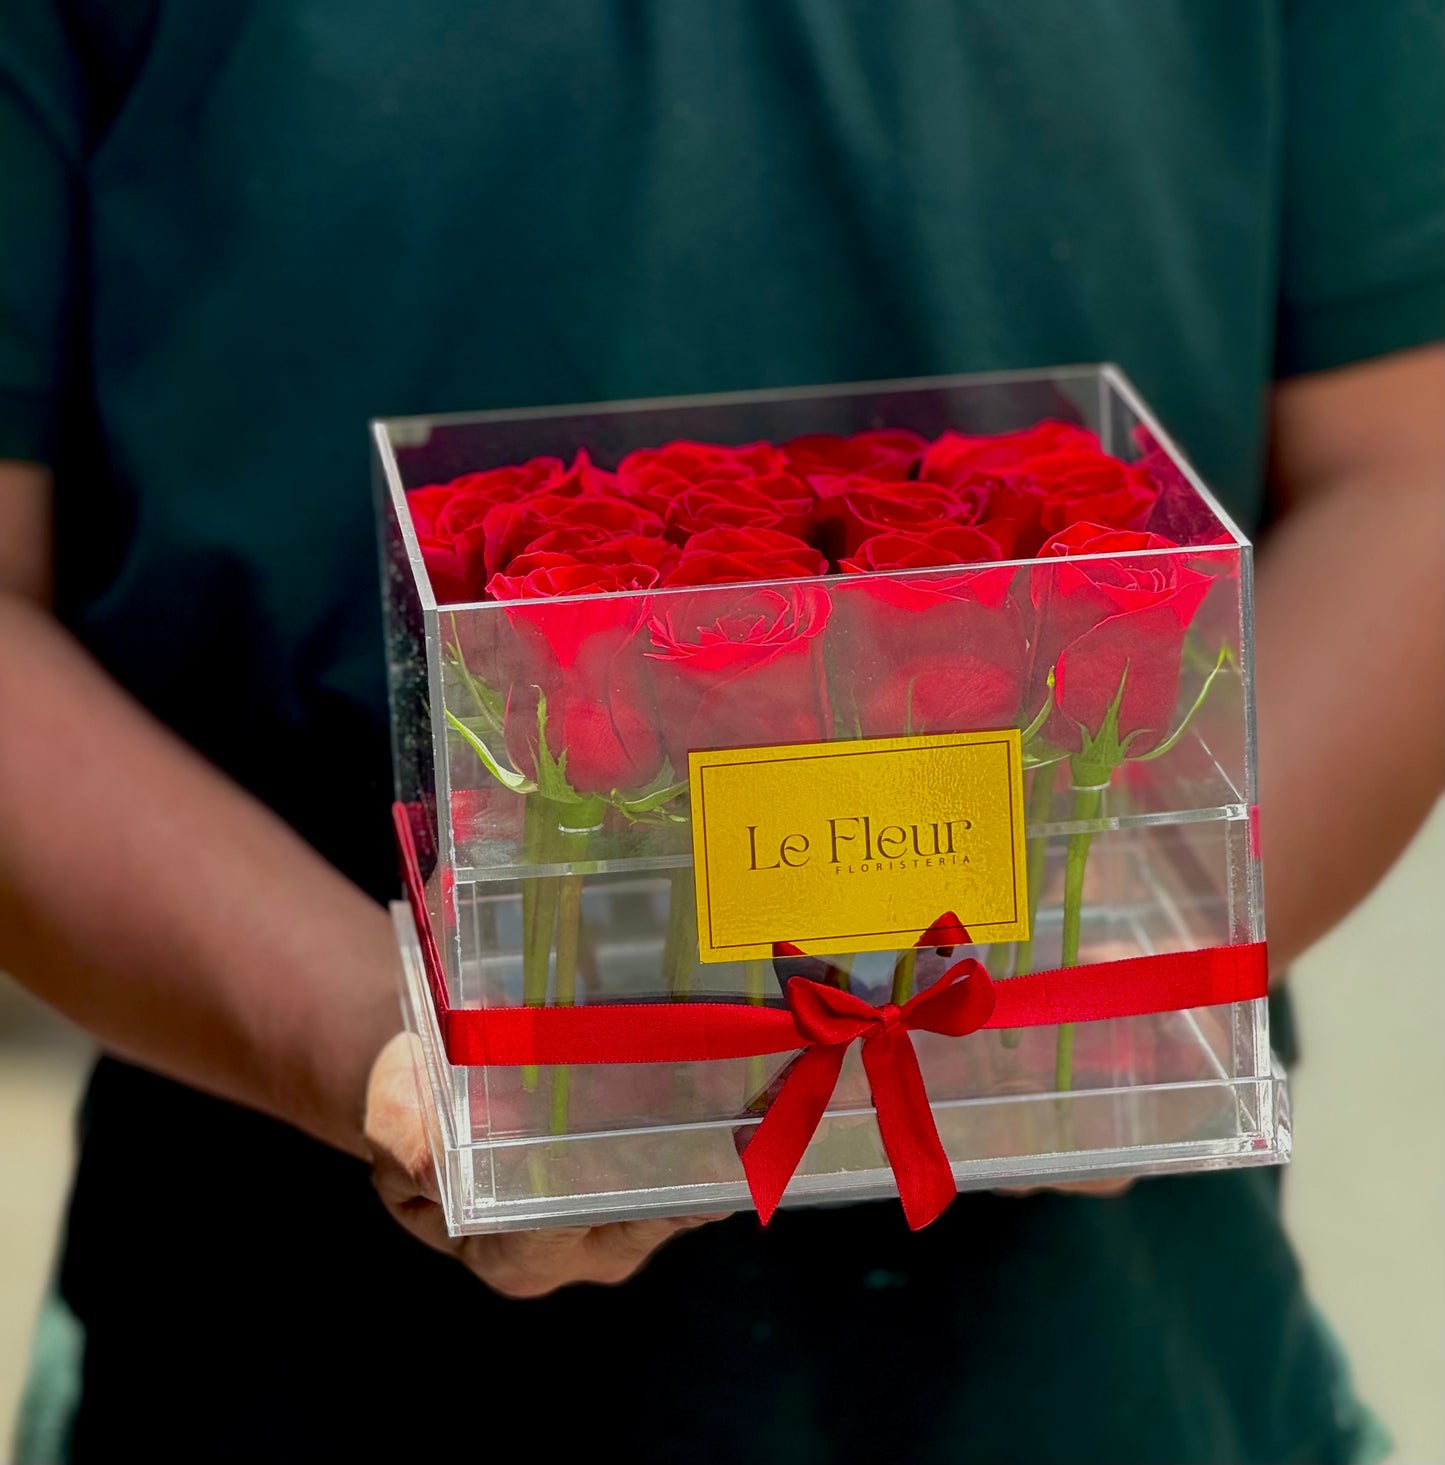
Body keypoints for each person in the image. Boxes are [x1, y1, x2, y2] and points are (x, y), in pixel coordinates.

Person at [2, 3, 1441, 1461]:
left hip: (1118, 1375)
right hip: (266, 1352)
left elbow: (1404, 462)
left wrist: (1131, 981)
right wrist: (377, 1042)